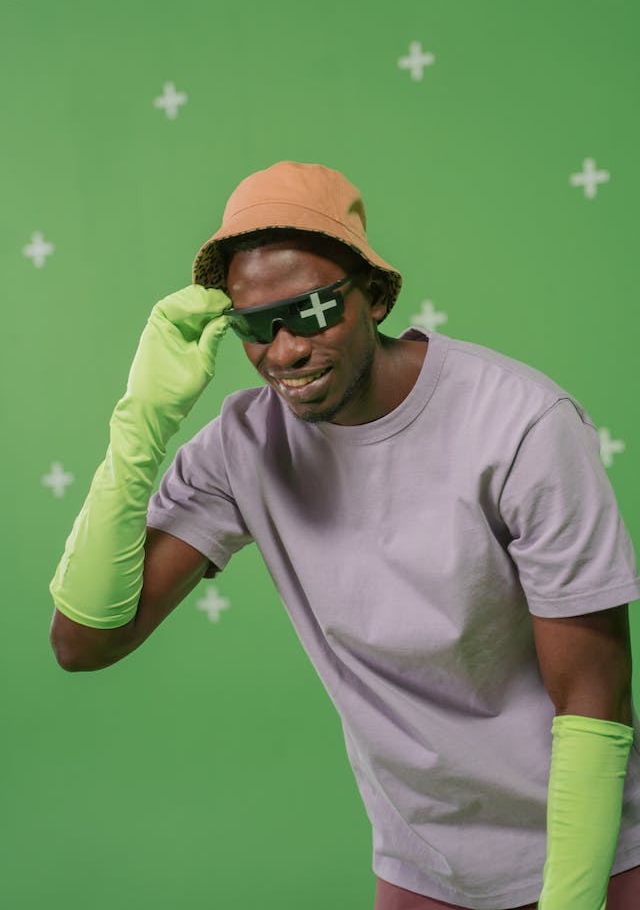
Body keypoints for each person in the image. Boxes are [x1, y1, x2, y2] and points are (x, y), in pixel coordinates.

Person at [49, 161, 640, 909]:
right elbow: (84, 641)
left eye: (316, 308)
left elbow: (594, 696)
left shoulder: (520, 425)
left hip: (591, 854)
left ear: (376, 296)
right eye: (256, 327)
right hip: (424, 864)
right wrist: (142, 420)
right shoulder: (244, 446)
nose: (286, 349)